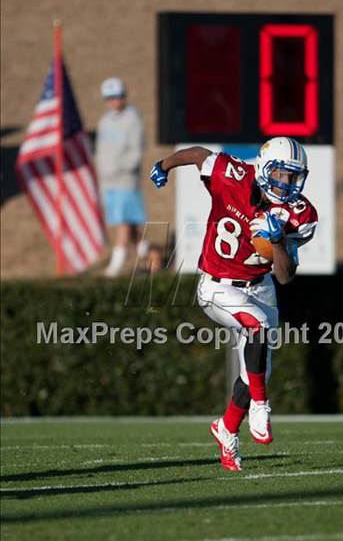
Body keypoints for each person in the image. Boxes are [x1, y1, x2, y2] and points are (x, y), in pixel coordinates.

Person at [150, 137, 318, 471]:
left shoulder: (298, 214)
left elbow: (285, 276)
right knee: (255, 332)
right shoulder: (232, 174)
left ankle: (226, 428)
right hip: (217, 286)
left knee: (255, 370)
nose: (287, 184)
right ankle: (260, 405)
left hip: (262, 286)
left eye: (293, 177)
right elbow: (198, 155)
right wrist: (164, 165)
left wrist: (279, 240)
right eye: (282, 175)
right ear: (265, 168)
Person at [95, 77, 150, 277]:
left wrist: (122, 169)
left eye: (117, 96)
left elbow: (136, 150)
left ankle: (117, 262)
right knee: (131, 220)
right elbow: (101, 150)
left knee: (124, 220)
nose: (114, 101)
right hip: (108, 181)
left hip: (125, 180)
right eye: (109, 97)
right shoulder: (104, 121)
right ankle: (146, 256)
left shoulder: (132, 119)